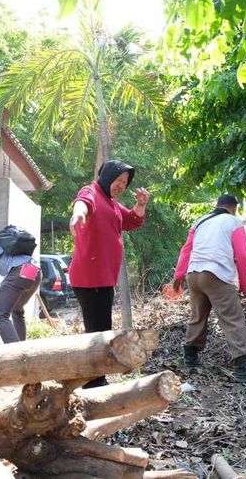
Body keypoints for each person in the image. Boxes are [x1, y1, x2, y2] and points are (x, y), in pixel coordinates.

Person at [69, 159, 150, 388]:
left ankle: (96, 378)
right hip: (90, 277)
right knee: (97, 330)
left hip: (103, 277)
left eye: (125, 183)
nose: (121, 186)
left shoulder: (112, 203)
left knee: (101, 328)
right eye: (118, 180)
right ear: (106, 177)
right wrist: (78, 215)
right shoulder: (92, 192)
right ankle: (93, 381)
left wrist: (141, 204)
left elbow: (132, 220)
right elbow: (82, 202)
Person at [172, 195, 246, 382]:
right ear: (233, 208)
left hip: (194, 274)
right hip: (215, 273)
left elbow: (186, 250)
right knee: (232, 317)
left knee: (197, 316)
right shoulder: (233, 222)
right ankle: (243, 365)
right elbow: (241, 255)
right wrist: (244, 285)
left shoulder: (200, 222)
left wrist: (178, 276)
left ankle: (190, 358)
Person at [0, 230, 41, 343]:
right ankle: (21, 347)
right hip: (35, 270)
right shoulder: (6, 245)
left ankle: (15, 353)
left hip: (18, 272)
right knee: (17, 309)